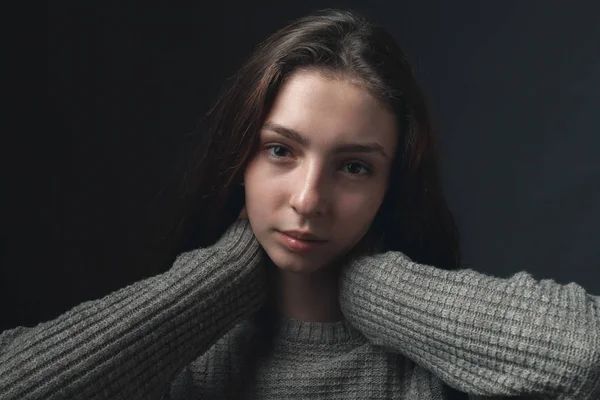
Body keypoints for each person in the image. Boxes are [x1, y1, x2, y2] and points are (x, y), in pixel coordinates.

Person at [1, 8, 598, 400]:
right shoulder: (176, 355)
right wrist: (221, 277)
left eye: (355, 167)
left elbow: (586, 354)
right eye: (281, 151)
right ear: (239, 157)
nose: (310, 200)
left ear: (393, 185)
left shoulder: (431, 369)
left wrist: (372, 284)